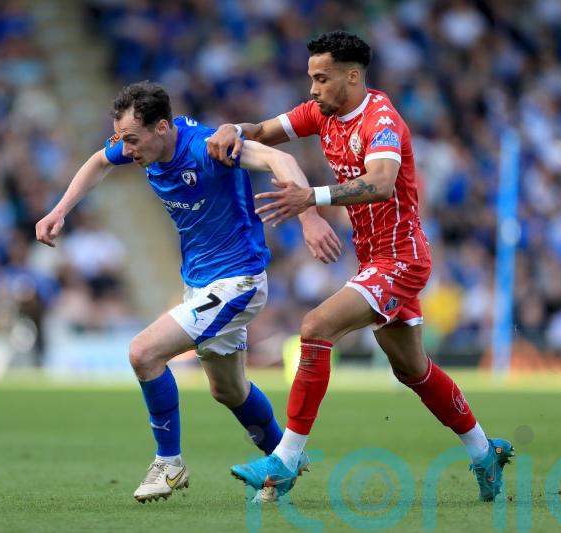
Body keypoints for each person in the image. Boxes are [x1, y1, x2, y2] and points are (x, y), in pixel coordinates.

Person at [207, 31, 514, 502]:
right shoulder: (320, 113)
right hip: (375, 258)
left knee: (315, 327)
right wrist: (236, 129)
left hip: (403, 259)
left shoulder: (381, 119)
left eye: (321, 78)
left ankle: (284, 461)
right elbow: (264, 130)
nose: (312, 89)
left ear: (351, 77)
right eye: (311, 78)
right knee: (412, 370)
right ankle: (482, 451)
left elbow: (383, 182)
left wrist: (313, 198)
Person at [35, 81, 342, 503]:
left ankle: (169, 464)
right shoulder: (141, 144)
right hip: (201, 283)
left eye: (132, 139)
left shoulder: (208, 148)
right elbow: (97, 162)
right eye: (121, 139)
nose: (127, 149)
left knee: (144, 353)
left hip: (238, 281)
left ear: (162, 128)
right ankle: (281, 465)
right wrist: (59, 210)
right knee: (228, 391)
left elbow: (280, 157)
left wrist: (308, 218)